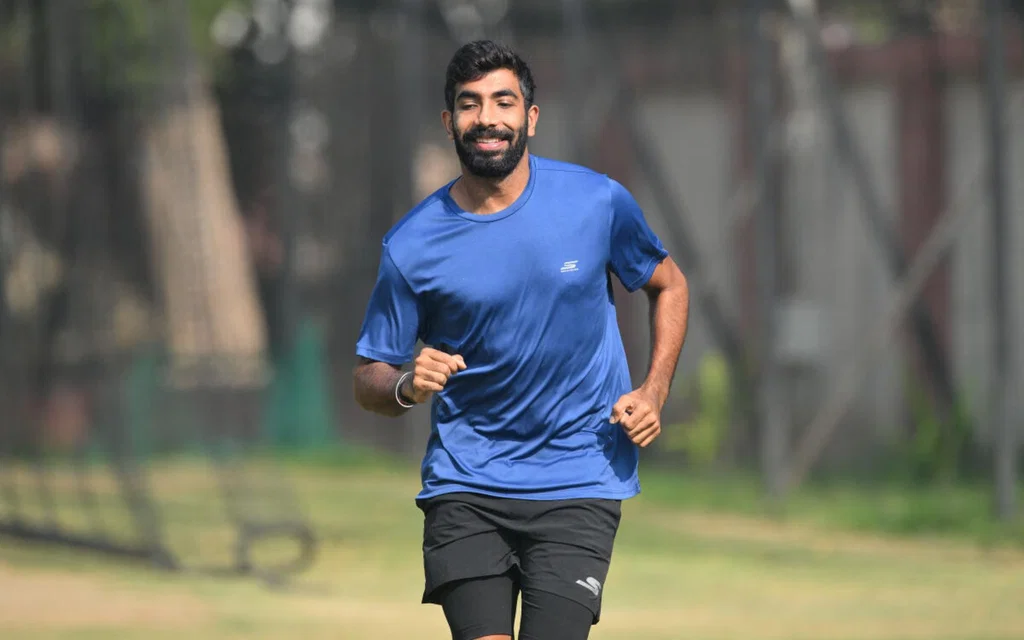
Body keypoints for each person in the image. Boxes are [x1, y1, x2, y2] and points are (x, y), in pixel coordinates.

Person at [353, 40, 690, 640]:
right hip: (466, 483)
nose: (487, 118)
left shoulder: (597, 202)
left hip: (579, 476)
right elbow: (369, 378)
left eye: (503, 102)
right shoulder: (411, 245)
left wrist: (655, 389)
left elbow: (670, 286)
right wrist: (407, 383)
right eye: (470, 103)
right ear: (448, 121)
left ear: (530, 117)